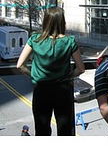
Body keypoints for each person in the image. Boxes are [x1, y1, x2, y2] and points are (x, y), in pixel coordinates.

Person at [17, 7, 85, 136]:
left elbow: (20, 65)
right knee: (65, 130)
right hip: (63, 90)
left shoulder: (35, 39)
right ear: (62, 22)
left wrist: (34, 76)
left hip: (42, 90)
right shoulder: (69, 41)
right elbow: (81, 69)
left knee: (42, 129)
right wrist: (68, 76)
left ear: (46, 21)